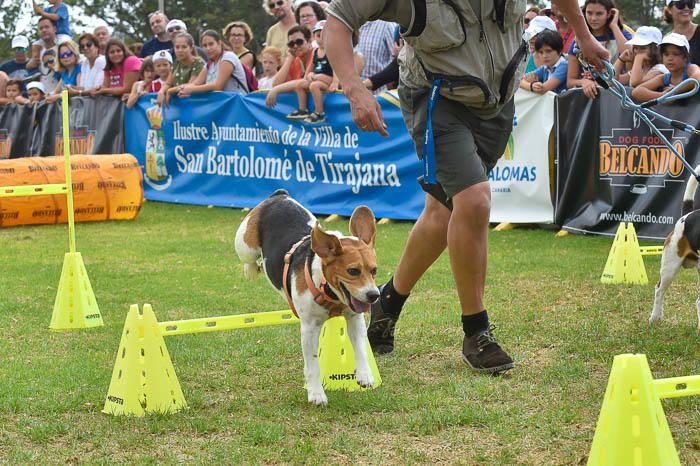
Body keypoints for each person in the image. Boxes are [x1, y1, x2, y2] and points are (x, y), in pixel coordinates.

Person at [323, 0, 610, 372]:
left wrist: (584, 38)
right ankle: (476, 332)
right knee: (473, 201)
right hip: (436, 100)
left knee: (442, 212)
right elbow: (338, 21)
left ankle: (387, 305)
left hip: (496, 103)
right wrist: (355, 90)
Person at [567, 0, 631, 99]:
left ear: (609, 13)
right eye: (589, 13)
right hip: (589, 99)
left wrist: (614, 26)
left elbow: (630, 55)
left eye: (599, 14)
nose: (593, 18)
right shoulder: (578, 40)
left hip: (617, 95)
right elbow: (570, 81)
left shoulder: (622, 33)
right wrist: (584, 82)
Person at [285, 20, 336, 123]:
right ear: (314, 37)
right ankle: (303, 109)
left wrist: (335, 82)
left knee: (314, 85)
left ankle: (319, 113)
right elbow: (310, 68)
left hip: (328, 79)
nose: (322, 38)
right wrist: (306, 79)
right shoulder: (316, 52)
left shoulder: (332, 50)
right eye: (318, 36)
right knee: (299, 84)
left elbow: (336, 69)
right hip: (317, 78)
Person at [178, 30, 249, 97]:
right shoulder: (209, 64)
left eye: (211, 44)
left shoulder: (228, 57)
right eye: (205, 46)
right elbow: (195, 84)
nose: (208, 48)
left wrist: (190, 90)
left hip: (237, 104)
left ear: (219, 43)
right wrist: (171, 90)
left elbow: (217, 86)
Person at [632, 33, 700, 103]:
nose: (670, 58)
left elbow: (697, 78)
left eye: (675, 54)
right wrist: (662, 96)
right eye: (666, 55)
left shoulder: (690, 68)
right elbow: (636, 91)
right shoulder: (664, 78)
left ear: (685, 57)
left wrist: (675, 91)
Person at [265, 26, 315, 107]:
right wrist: (289, 59)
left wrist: (276, 90)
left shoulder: (316, 53)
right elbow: (276, 84)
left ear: (309, 41)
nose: (295, 46)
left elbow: (305, 82)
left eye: (299, 42)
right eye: (291, 44)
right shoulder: (294, 60)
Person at [157, 33, 205, 106]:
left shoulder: (198, 63)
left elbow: (189, 86)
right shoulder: (176, 63)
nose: (180, 50)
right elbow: (168, 83)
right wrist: (161, 91)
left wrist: (170, 91)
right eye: (177, 47)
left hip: (196, 104)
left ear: (191, 48)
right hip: (180, 105)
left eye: (184, 47)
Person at [520, 30, 569, 95]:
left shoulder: (564, 66)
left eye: (548, 51)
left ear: (559, 50)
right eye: (541, 52)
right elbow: (519, 81)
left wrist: (531, 86)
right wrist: (531, 85)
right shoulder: (545, 68)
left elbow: (542, 89)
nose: (544, 56)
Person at [664, 0, 700, 65]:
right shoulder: (666, 40)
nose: (686, 8)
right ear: (669, 9)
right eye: (680, 4)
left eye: (690, 4)